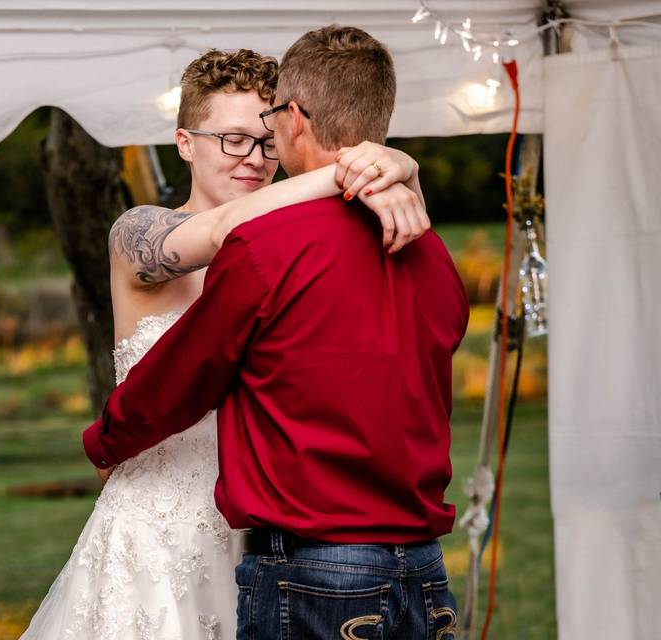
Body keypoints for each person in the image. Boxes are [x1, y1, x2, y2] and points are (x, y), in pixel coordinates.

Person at [22, 48, 428, 640]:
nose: (255, 160)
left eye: (266, 140)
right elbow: (215, 233)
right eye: (232, 140)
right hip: (160, 532)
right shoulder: (137, 233)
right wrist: (366, 167)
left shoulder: (295, 247)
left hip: (272, 530)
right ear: (185, 143)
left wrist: (393, 166)